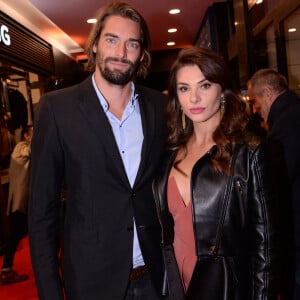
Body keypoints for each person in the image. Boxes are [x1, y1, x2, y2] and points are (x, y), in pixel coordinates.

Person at [29, 2, 166, 300]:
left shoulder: (159, 106)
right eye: (112, 40)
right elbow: (41, 213)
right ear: (94, 46)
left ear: (142, 53)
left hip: (157, 279)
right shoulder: (56, 109)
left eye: (132, 43)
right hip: (92, 284)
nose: (121, 53)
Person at [152, 47, 281, 300]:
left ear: (222, 90)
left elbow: (266, 250)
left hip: (225, 289)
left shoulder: (250, 152)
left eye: (205, 85)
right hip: (175, 284)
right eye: (184, 88)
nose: (194, 98)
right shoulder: (169, 151)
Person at [250, 68, 300, 300]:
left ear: (268, 93)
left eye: (256, 101)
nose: (256, 109)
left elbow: (282, 182)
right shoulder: (292, 113)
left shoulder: (286, 124)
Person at [0, 125, 33, 285]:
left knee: (17, 235)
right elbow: (33, 151)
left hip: (24, 202)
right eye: (33, 133)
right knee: (15, 236)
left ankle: (6, 269)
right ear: (26, 136)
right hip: (20, 203)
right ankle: (6, 270)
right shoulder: (21, 147)